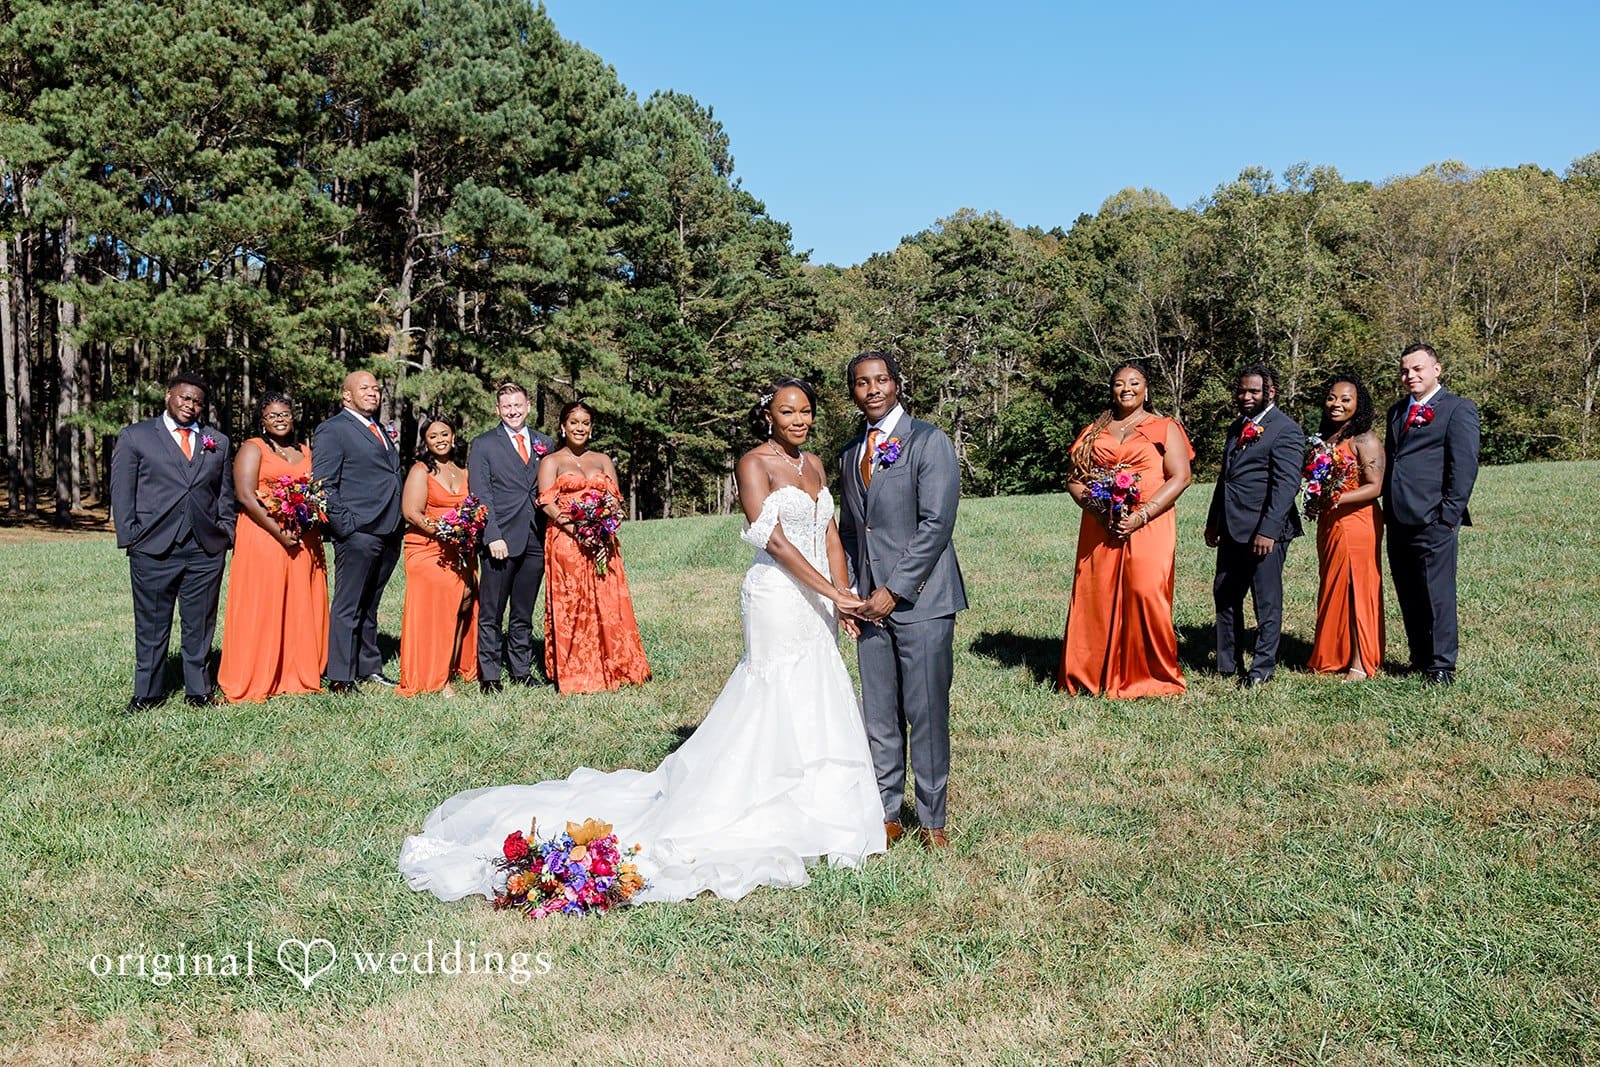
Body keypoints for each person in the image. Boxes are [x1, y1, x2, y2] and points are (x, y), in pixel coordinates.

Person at [399, 380, 885, 903]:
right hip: (777, 595)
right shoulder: (754, 463)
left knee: (819, 686)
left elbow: (829, 533)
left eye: (806, 410)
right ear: (767, 416)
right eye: (787, 411)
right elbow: (776, 541)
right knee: (774, 691)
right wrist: (832, 589)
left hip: (818, 601)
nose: (799, 419)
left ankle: (821, 801)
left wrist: (844, 597)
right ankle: (760, 795)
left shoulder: (813, 464)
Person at [837, 352, 966, 849]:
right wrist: (851, 593)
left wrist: (895, 590)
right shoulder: (851, 454)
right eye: (861, 382)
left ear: (897, 384)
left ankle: (932, 819)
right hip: (869, 607)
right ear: (852, 391)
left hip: (922, 602)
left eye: (881, 380)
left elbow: (937, 525)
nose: (872, 389)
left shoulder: (929, 442)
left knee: (927, 709)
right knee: (879, 714)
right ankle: (886, 811)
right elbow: (851, 530)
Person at [1057, 361, 1194, 698]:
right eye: (1119, 383)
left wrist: (1142, 515)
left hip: (1150, 524)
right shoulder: (1095, 430)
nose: (1126, 389)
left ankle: (1150, 675)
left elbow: (1181, 476)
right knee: (1096, 596)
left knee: (1146, 593)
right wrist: (1099, 512)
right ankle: (1091, 674)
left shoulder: (1164, 427)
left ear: (1147, 390)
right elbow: (1075, 480)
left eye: (1134, 382)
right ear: (1112, 390)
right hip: (1101, 525)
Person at [109, 371, 236, 712]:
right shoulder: (136, 437)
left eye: (197, 401)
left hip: (205, 548)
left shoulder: (217, 441)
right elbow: (122, 492)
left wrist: (226, 532)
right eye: (184, 398)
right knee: (151, 623)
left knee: (200, 623)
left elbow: (224, 494)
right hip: (152, 547)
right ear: (168, 396)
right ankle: (147, 694)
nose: (190, 405)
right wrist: (131, 536)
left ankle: (199, 690)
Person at [216, 393, 329, 702]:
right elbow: (245, 495)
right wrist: (279, 532)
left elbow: (314, 493)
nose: (280, 419)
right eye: (272, 415)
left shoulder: (305, 450)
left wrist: (305, 522)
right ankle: (256, 675)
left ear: (293, 417)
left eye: (285, 414)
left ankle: (295, 673)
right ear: (262, 421)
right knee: (263, 604)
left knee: (298, 603)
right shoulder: (253, 448)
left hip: (303, 538)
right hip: (264, 536)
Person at [535, 400, 650, 694]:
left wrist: (604, 527)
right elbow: (546, 502)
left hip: (602, 541)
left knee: (608, 602)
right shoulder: (552, 461)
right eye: (574, 422)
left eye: (585, 423)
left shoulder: (602, 459)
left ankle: (617, 665)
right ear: (562, 426)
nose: (580, 428)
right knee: (573, 604)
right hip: (567, 540)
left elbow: (614, 500)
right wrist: (577, 530)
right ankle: (578, 671)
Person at [1382, 342, 1480, 684]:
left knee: (1437, 594)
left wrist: (1448, 516)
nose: (1410, 375)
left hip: (1435, 519)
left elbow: (1464, 467)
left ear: (1436, 369)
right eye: (1405, 370)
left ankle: (1441, 665)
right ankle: (1420, 657)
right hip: (1396, 518)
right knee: (1408, 591)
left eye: (1418, 369)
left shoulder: (1458, 409)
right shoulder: (1396, 412)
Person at [1206, 364, 1304, 688]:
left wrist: (1269, 531)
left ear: (1270, 392)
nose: (1246, 396)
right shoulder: (1237, 427)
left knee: (1266, 601)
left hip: (1265, 532)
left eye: (1254, 391)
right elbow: (1226, 479)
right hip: (1232, 528)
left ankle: (1262, 668)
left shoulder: (1286, 430)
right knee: (1225, 593)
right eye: (1242, 390)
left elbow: (1286, 485)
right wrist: (1213, 521)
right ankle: (1227, 664)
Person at [311, 370, 404, 693]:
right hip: (359, 531)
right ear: (346, 395)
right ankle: (340, 675)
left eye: (376, 389)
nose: (373, 393)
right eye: (364, 388)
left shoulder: (378, 429)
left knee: (370, 603)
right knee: (348, 604)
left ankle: (369, 667)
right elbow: (323, 485)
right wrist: (347, 528)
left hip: (390, 529)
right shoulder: (333, 430)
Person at [470, 382, 557, 693]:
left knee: (523, 611)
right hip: (501, 538)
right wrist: (492, 534)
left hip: (535, 537)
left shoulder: (544, 443)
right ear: (497, 410)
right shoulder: (483, 444)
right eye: (506, 406)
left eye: (518, 405)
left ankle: (520, 670)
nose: (513, 411)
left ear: (528, 406)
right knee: (492, 611)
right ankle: (490, 675)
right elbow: (481, 494)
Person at [1305, 375, 1386, 680]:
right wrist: (1315, 499)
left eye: (1345, 399)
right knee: (1334, 586)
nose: (1336, 404)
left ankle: (1360, 661)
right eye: (1331, 397)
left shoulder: (1364, 440)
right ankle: (1332, 654)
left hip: (1358, 522)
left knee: (1356, 588)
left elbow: (1375, 487)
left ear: (1358, 404)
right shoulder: (1326, 439)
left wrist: (1333, 499)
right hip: (1330, 523)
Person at [396, 416, 480, 697]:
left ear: (453, 436)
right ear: (426, 442)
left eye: (445, 434)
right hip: (426, 549)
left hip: (460, 548)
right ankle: (437, 678)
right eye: (433, 436)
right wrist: (445, 531)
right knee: (445, 600)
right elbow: (411, 513)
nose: (440, 440)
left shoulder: (463, 470)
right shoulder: (421, 471)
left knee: (466, 601)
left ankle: (450, 666)